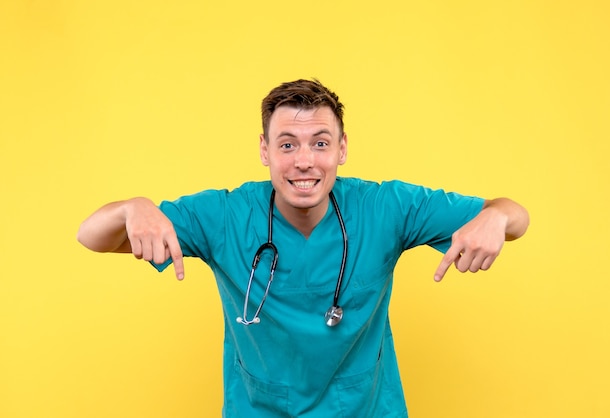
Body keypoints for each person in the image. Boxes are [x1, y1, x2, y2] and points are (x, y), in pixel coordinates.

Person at [77, 79, 529, 417]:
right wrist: (131, 208)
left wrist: (497, 215)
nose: (305, 161)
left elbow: (514, 217)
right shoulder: (225, 216)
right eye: (287, 144)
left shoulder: (385, 207)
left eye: (320, 143)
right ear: (264, 150)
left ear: (342, 149)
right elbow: (90, 235)